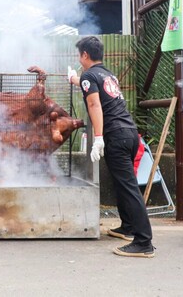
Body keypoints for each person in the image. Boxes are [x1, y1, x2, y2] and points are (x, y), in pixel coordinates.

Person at [67, 36, 154, 258]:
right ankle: (128, 227)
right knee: (122, 183)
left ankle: (144, 242)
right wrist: (75, 79)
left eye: (79, 55)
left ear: (85, 55)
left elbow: (94, 104)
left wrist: (98, 137)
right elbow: (92, 86)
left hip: (115, 136)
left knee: (128, 187)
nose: (79, 59)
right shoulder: (107, 74)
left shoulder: (89, 76)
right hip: (130, 134)